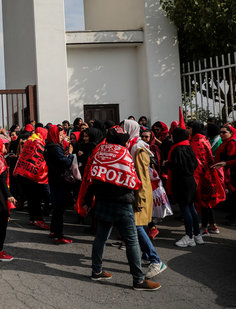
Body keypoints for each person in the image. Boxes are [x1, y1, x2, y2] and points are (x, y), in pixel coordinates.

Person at [79, 126, 160, 291]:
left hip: (102, 201)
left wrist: (88, 201)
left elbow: (93, 178)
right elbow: (132, 180)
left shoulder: (100, 151)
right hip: (122, 203)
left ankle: (96, 271)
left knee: (101, 238)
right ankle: (138, 280)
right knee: (131, 240)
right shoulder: (124, 154)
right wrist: (137, 198)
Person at [122, 120, 167, 279]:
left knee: (137, 226)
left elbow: (142, 175)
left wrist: (140, 199)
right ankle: (148, 256)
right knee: (136, 226)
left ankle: (156, 260)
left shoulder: (138, 148)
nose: (121, 131)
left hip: (140, 193)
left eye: (123, 129)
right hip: (137, 192)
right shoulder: (133, 145)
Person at [167, 128, 202, 247]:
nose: (170, 137)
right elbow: (195, 164)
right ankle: (197, 235)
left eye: (172, 135)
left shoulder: (177, 149)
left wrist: (167, 164)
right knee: (192, 208)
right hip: (191, 181)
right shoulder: (188, 147)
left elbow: (177, 167)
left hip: (181, 182)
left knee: (185, 208)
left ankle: (189, 236)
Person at [188, 122, 223, 235]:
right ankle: (213, 225)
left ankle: (204, 228)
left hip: (202, 176)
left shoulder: (197, 141)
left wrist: (195, 179)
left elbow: (197, 161)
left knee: (204, 202)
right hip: (209, 174)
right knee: (207, 202)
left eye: (189, 127)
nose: (188, 129)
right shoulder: (204, 139)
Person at [14, 127, 50, 230]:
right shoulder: (38, 143)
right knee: (36, 198)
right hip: (33, 174)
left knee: (31, 198)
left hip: (24, 173)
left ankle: (32, 218)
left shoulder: (29, 141)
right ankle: (38, 219)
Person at [44, 125, 73, 244]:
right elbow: (65, 162)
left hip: (53, 178)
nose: (62, 137)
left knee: (56, 207)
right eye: (61, 135)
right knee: (59, 208)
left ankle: (53, 230)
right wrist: (70, 154)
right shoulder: (54, 148)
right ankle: (58, 235)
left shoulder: (49, 146)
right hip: (59, 180)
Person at [212, 125, 236, 225]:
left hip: (233, 173)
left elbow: (231, 159)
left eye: (224, 132)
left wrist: (226, 163)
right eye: (220, 132)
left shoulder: (232, 143)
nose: (221, 134)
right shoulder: (226, 142)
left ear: (230, 133)